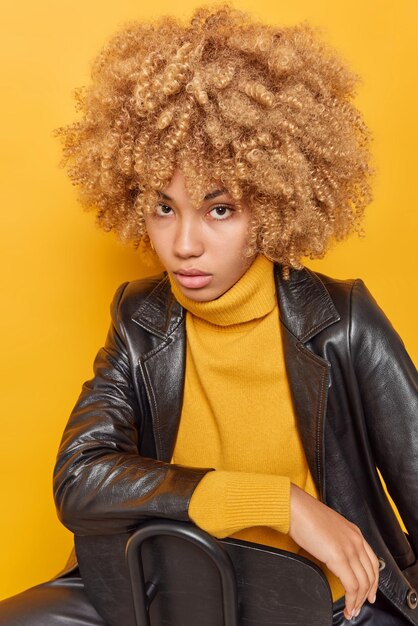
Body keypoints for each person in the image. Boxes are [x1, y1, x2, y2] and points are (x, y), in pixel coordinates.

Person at [1, 4, 417, 625]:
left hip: (324, 609)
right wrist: (279, 502)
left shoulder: (342, 321)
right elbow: (81, 477)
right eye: (164, 208)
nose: (183, 244)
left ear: (276, 202)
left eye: (219, 209)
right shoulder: (140, 318)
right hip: (162, 594)